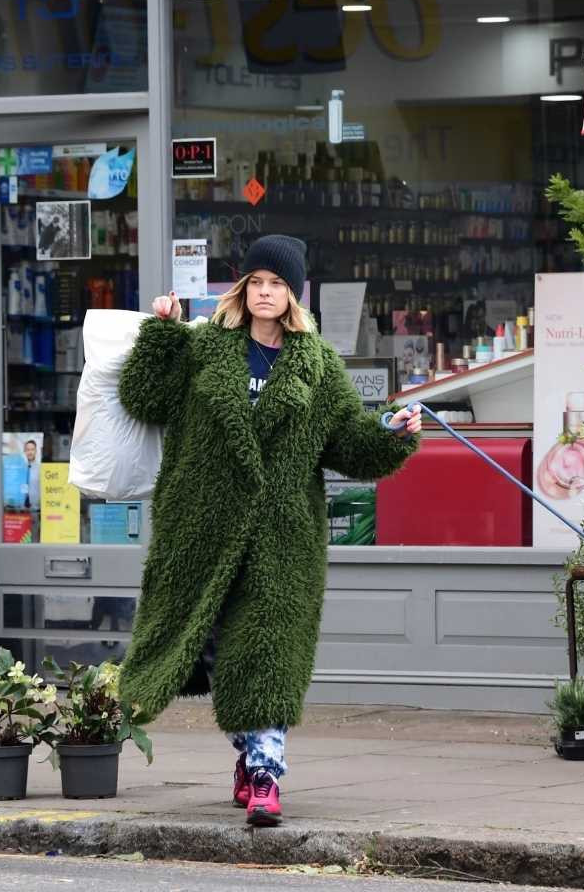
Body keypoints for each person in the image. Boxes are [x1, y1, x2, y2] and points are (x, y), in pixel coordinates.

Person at [117, 234, 421, 827]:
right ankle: (249, 750)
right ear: (241, 289)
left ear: (293, 294)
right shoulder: (205, 347)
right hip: (201, 528)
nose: (264, 292)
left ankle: (264, 776)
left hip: (282, 537)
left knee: (269, 654)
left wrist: (390, 432)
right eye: (256, 281)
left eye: (276, 283)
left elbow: (348, 444)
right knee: (210, 649)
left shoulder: (317, 365)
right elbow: (143, 397)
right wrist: (162, 334)